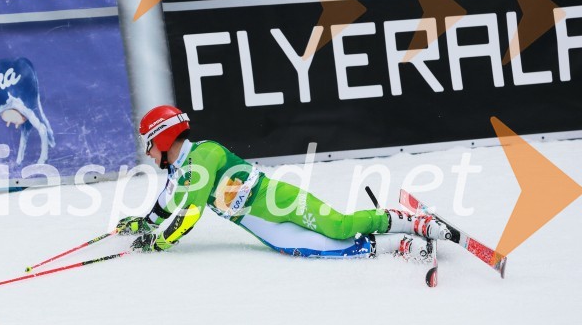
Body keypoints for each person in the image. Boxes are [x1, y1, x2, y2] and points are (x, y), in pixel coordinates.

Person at [117, 105, 449, 261]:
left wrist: (159, 243)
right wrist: (145, 224)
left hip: (281, 200)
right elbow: (169, 200)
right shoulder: (180, 170)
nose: (147, 152)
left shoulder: (203, 156)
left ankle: (405, 221)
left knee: (339, 227)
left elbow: (189, 214)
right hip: (267, 228)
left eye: (148, 143)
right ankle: (400, 246)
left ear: (163, 137)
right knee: (323, 249)